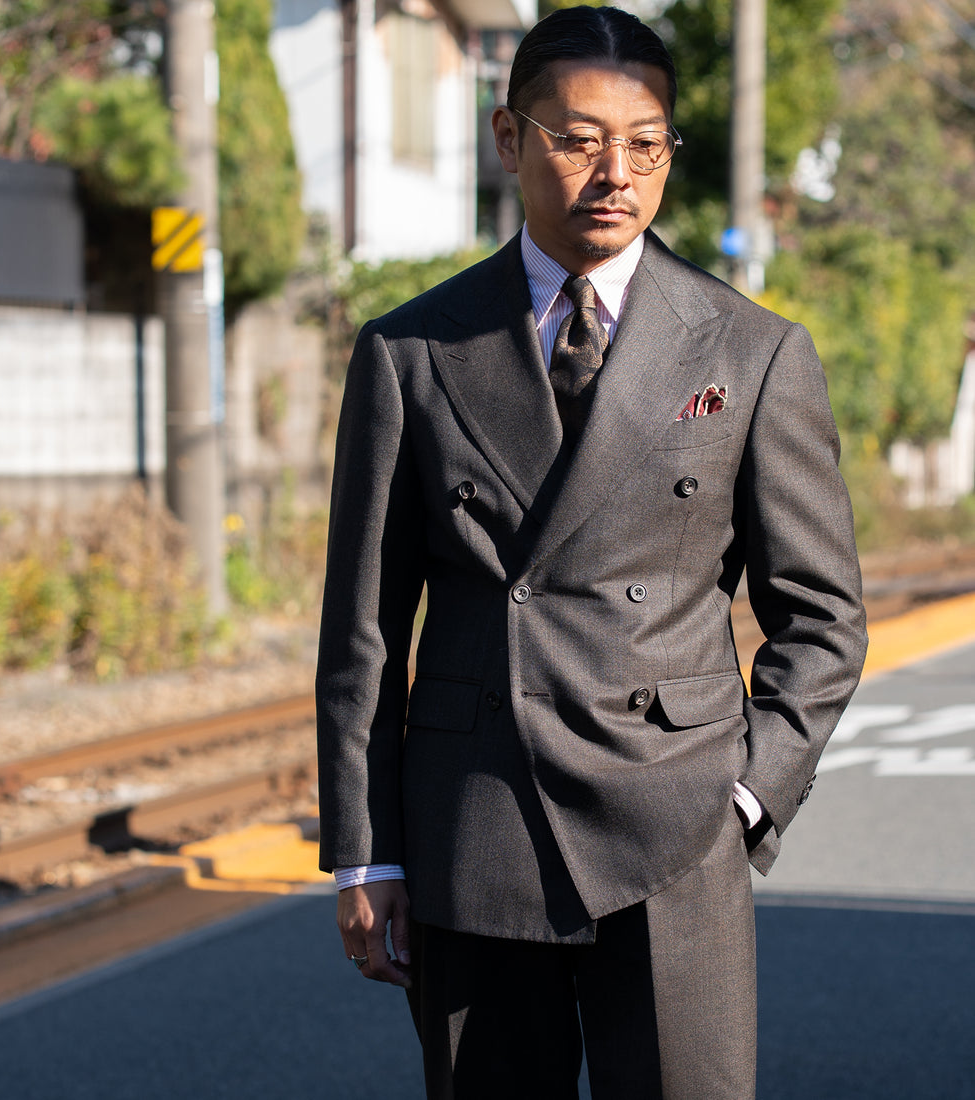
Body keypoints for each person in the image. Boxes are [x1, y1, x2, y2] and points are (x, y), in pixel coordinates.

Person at [315, 6, 868, 1098]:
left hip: (675, 825)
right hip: (474, 825)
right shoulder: (409, 351)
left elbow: (821, 615)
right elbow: (365, 628)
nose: (613, 172)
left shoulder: (749, 351)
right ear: (507, 139)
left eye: (645, 142)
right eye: (575, 138)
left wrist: (748, 795)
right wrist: (367, 848)